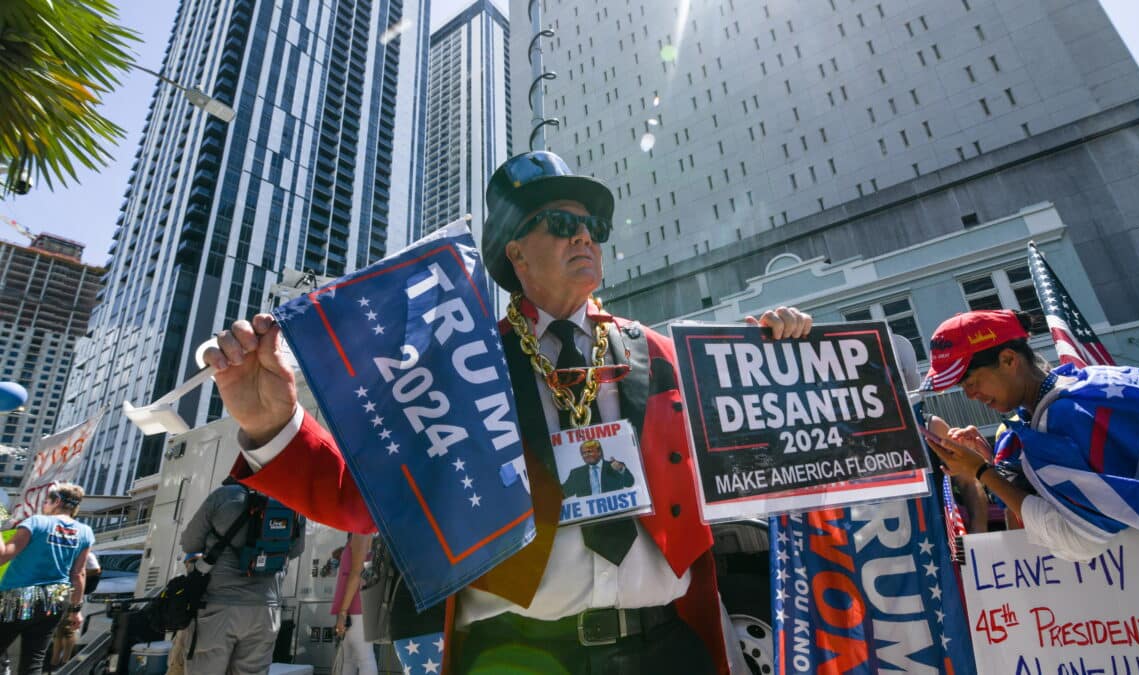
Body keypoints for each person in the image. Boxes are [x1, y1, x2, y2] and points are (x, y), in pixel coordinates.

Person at [202, 150, 813, 674]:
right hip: (519, 654)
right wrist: (272, 425)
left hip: (668, 647)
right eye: (559, 222)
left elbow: (759, 456)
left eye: (591, 223)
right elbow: (369, 502)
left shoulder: (656, 350)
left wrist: (779, 362)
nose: (584, 235)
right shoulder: (463, 368)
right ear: (516, 255)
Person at [921, 309, 1139, 669]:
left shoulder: (1059, 421)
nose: (969, 393)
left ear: (1008, 359)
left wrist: (980, 471)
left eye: (970, 379)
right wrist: (993, 464)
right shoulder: (1100, 382)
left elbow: (1079, 535)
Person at [179, 481, 306, 674]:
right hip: (265, 609)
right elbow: (296, 551)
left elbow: (189, 543)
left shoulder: (225, 496)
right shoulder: (294, 503)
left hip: (218, 608)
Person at [0, 483, 92, 674]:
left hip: (17, 597)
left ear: (57, 501)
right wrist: (76, 610)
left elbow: (4, 555)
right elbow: (79, 574)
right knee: (33, 660)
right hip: (56, 600)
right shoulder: (85, 532)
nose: (43, 505)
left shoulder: (37, 522)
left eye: (46, 501)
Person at [331, 533, 376, 675]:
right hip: (353, 607)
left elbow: (356, 573)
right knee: (348, 659)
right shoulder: (358, 533)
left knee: (364, 659)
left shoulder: (361, 531)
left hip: (356, 608)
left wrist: (343, 613)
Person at [561, 439, 634, 498]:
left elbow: (629, 483)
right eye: (583, 453)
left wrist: (620, 470)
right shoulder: (576, 474)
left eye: (589, 452)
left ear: (599, 452)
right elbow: (564, 493)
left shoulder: (615, 466)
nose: (586, 455)